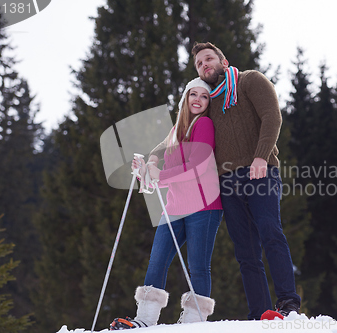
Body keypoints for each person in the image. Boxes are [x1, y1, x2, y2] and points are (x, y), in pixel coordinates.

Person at [191, 42, 301, 320]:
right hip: (227, 182)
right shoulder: (207, 102)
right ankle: (260, 313)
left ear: (223, 61)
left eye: (208, 59)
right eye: (199, 64)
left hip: (260, 171)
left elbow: (272, 117)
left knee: (270, 231)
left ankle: (288, 303)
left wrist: (261, 157)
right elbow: (180, 133)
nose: (204, 65)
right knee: (245, 251)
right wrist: (152, 159)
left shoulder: (250, 80)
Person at [110, 78, 223, 330]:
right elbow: (162, 163)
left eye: (204, 96)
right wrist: (145, 171)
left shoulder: (203, 124)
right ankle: (145, 319)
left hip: (203, 207)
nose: (198, 99)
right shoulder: (176, 132)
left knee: (197, 265)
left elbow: (197, 166)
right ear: (185, 98)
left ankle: (194, 321)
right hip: (174, 207)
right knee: (157, 260)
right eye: (193, 94)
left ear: (208, 102)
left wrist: (159, 175)